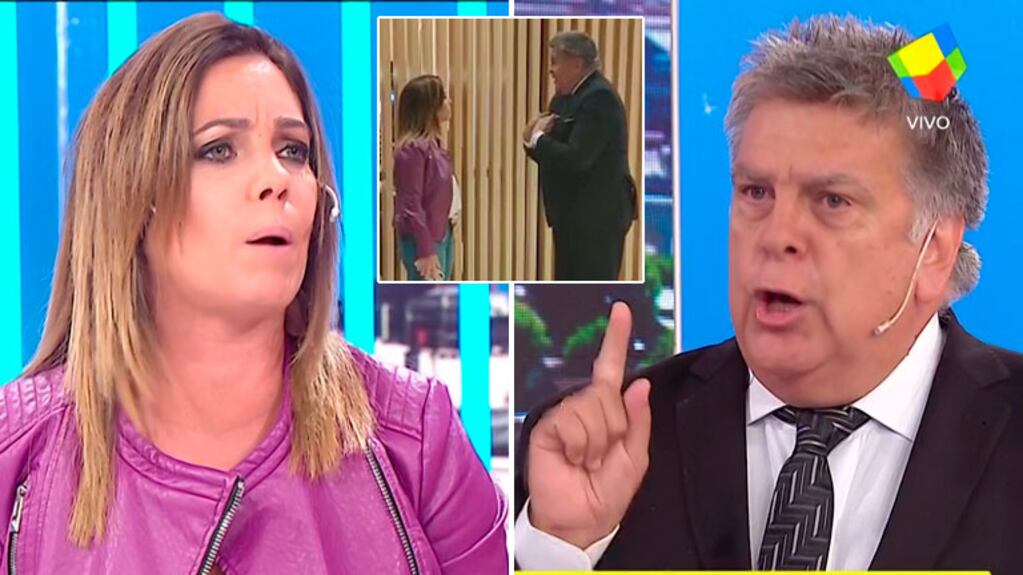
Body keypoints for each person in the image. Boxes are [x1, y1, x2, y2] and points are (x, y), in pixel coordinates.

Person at [0, 14, 506, 574]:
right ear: (131, 195)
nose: (277, 179)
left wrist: (557, 540)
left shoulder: (416, 439)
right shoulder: (14, 454)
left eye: (293, 150)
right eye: (219, 150)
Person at [515, 15, 1021, 572]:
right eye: (756, 192)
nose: (777, 236)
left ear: (934, 250)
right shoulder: (602, 443)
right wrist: (561, 550)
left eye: (832, 201)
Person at [523, 31, 635, 281]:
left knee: (588, 291)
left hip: (596, 222)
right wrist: (531, 139)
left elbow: (577, 158)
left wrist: (538, 139)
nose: (550, 70)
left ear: (576, 63)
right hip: (570, 219)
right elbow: (550, 150)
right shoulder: (563, 98)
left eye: (555, 62)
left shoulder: (600, 98)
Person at [393, 75, 460, 281]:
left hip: (442, 233)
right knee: (429, 295)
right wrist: (425, 249)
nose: (449, 101)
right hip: (424, 239)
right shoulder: (412, 150)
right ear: (431, 107)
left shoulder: (434, 146)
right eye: (444, 97)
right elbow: (411, 204)